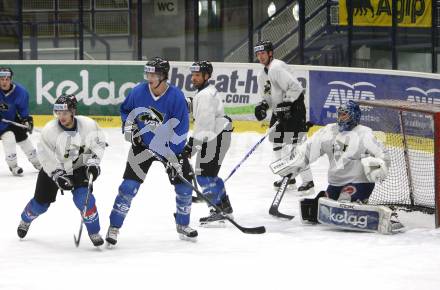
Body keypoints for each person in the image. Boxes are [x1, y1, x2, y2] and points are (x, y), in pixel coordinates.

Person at [271, 100, 403, 233]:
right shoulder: (329, 131)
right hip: (335, 183)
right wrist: (295, 164)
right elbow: (309, 149)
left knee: (345, 199)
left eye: (344, 115)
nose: (340, 118)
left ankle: (378, 214)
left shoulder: (365, 134)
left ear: (354, 116)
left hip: (359, 182)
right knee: (322, 205)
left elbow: (383, 156)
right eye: (339, 114)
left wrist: (377, 166)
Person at [106, 57, 196, 245]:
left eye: (153, 74)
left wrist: (173, 157)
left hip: (169, 147)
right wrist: (129, 127)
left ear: (163, 76)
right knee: (128, 188)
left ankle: (183, 225)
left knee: (184, 187)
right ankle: (114, 227)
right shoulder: (138, 91)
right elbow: (126, 111)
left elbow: (181, 129)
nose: (149, 77)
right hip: (143, 146)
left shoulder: (176, 97)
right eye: (148, 73)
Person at [17, 94, 107, 246]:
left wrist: (93, 163)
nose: (61, 116)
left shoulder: (89, 125)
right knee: (40, 205)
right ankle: (25, 220)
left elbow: (99, 143)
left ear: (73, 112)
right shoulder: (49, 131)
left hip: (79, 168)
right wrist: (57, 174)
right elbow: (45, 157)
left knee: (84, 200)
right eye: (58, 113)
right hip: (54, 169)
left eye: (65, 113)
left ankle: (94, 231)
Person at [253, 40, 314, 193]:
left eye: (263, 53)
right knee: (277, 143)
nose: (260, 56)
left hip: (294, 109)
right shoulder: (262, 75)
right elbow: (267, 96)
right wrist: (263, 106)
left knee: (295, 147)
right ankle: (288, 176)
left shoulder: (277, 68)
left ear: (270, 53)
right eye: (258, 54)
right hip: (279, 112)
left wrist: (286, 103)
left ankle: (308, 181)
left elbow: (296, 88)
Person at [182, 60, 234, 227]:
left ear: (207, 76)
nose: (194, 78)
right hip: (219, 135)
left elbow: (204, 125)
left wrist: (191, 146)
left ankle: (216, 211)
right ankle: (224, 207)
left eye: (198, 75)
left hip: (214, 137)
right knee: (210, 175)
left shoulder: (205, 95)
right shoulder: (206, 92)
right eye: (193, 74)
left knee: (203, 175)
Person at [0, 67, 41, 176]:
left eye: (7, 79)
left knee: (24, 140)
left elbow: (23, 111)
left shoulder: (20, 92)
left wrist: (26, 120)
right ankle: (13, 166)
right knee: (9, 138)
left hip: (12, 120)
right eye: (1, 79)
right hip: (1, 124)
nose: (4, 81)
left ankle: (38, 163)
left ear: (11, 79)